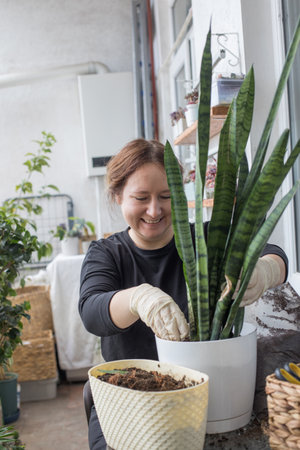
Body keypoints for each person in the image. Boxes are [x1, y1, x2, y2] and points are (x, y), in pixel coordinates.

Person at [79, 138, 288, 450]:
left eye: (167, 196)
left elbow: (275, 254)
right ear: (118, 196)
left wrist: (264, 271)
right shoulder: (107, 254)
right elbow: (92, 311)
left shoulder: (205, 240)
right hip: (130, 403)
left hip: (209, 402)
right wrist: (138, 298)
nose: (154, 209)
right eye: (141, 197)